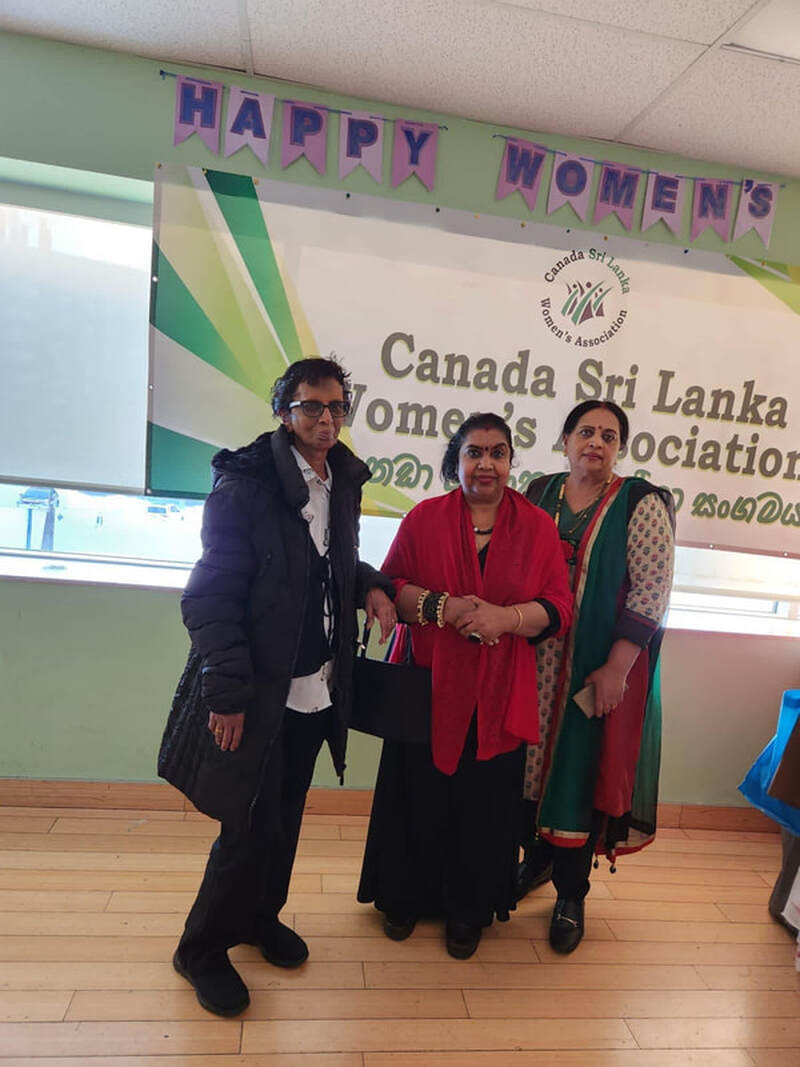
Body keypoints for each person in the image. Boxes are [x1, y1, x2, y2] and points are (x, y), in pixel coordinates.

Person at [158, 356, 396, 1016]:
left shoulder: (339, 479)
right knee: (246, 823)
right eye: (310, 406)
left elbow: (331, 563)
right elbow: (211, 596)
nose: (326, 419)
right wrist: (227, 694)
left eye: (336, 407)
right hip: (258, 692)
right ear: (283, 411)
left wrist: (373, 586)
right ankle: (201, 948)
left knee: (285, 816)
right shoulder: (247, 485)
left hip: (316, 687)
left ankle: (260, 917)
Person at [357, 413, 572, 959]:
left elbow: (558, 607)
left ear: (511, 462)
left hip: (499, 690)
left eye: (498, 453)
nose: (486, 464)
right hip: (427, 686)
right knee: (416, 796)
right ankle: (403, 898)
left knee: (483, 808)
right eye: (475, 452)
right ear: (456, 460)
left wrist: (507, 619)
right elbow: (391, 586)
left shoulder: (537, 526)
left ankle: (468, 912)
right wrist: (443, 607)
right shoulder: (424, 518)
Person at [515, 399, 675, 954]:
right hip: (527, 665)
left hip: (593, 671)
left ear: (619, 449)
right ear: (565, 440)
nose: (596, 443)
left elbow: (651, 589)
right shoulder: (538, 493)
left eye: (609, 436)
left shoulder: (639, 502)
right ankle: (534, 861)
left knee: (579, 775)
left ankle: (570, 895)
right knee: (523, 770)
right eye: (586, 432)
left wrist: (616, 669)